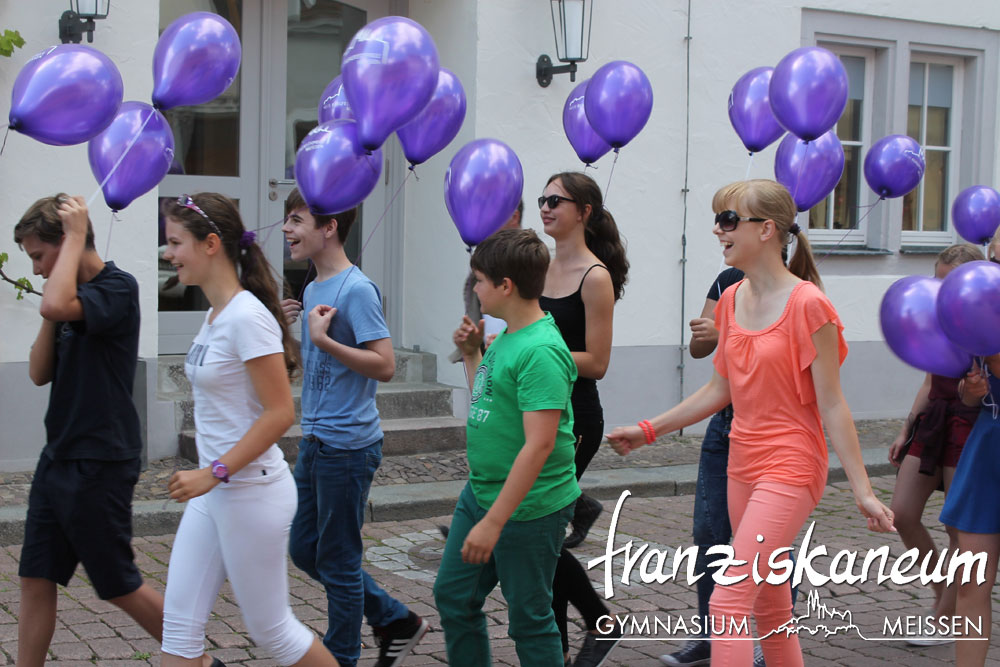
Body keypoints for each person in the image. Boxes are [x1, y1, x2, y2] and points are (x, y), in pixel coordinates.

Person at [607, 179, 895, 666]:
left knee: (728, 601)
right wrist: (648, 430)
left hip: (792, 466)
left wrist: (863, 491)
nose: (717, 230)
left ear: (766, 230)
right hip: (741, 465)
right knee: (771, 609)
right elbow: (719, 390)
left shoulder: (809, 305)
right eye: (718, 219)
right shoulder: (731, 299)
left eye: (728, 219)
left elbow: (832, 405)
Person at [13, 195, 198, 667]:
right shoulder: (64, 301)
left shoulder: (117, 288)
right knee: (36, 576)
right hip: (58, 456)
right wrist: (53, 302)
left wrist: (75, 238)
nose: (36, 269)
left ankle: (197, 660)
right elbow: (38, 372)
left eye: (39, 256)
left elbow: (58, 303)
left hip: (101, 461)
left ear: (68, 243)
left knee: (117, 583)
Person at [160, 193, 338, 666]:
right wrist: (211, 477)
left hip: (251, 494)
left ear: (210, 243)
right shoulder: (215, 314)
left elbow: (280, 413)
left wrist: (213, 471)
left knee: (273, 633)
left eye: (175, 242)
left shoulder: (246, 317)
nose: (168, 253)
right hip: (215, 495)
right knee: (178, 631)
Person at [280, 188, 428, 667]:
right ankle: (395, 618)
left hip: (347, 446)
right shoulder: (312, 288)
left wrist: (325, 340)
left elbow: (385, 366)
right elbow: (315, 367)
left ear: (329, 227)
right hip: (315, 440)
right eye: (287, 219)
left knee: (339, 561)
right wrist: (288, 332)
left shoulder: (358, 289)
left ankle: (341, 656)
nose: (286, 229)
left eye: (297, 219)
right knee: (305, 549)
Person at [435, 228, 580, 666]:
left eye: (479, 280)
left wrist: (493, 523)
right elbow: (488, 399)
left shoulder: (540, 350)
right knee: (454, 596)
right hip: (482, 492)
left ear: (505, 286)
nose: (474, 289)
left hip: (529, 509)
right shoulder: (507, 337)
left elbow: (539, 445)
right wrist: (472, 355)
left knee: (529, 619)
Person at [537, 171, 628, 666]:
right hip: (537, 412)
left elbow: (597, 362)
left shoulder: (595, 277)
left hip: (575, 420)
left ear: (584, 212)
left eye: (557, 200)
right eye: (543, 199)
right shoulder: (541, 265)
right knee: (541, 535)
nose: (546, 207)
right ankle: (581, 633)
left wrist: (536, 354)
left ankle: (583, 631)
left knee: (540, 535)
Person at [887, 243, 983, 647]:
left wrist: (973, 392)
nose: (939, 291)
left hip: (970, 425)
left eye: (948, 283)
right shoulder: (936, 319)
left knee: (958, 528)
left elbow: (980, 392)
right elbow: (929, 382)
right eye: (936, 280)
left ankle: (945, 619)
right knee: (902, 513)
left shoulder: (985, 320)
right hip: (934, 422)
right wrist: (906, 428)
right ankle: (945, 590)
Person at [940, 354, 1000, 666]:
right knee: (970, 581)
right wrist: (973, 389)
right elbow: (969, 399)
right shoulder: (976, 332)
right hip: (988, 446)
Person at [448, 199, 524, 363]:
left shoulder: (531, 263)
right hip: (488, 366)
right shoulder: (483, 261)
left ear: (514, 217)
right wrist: (471, 351)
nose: (483, 221)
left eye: (491, 214)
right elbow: (480, 379)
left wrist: (513, 345)